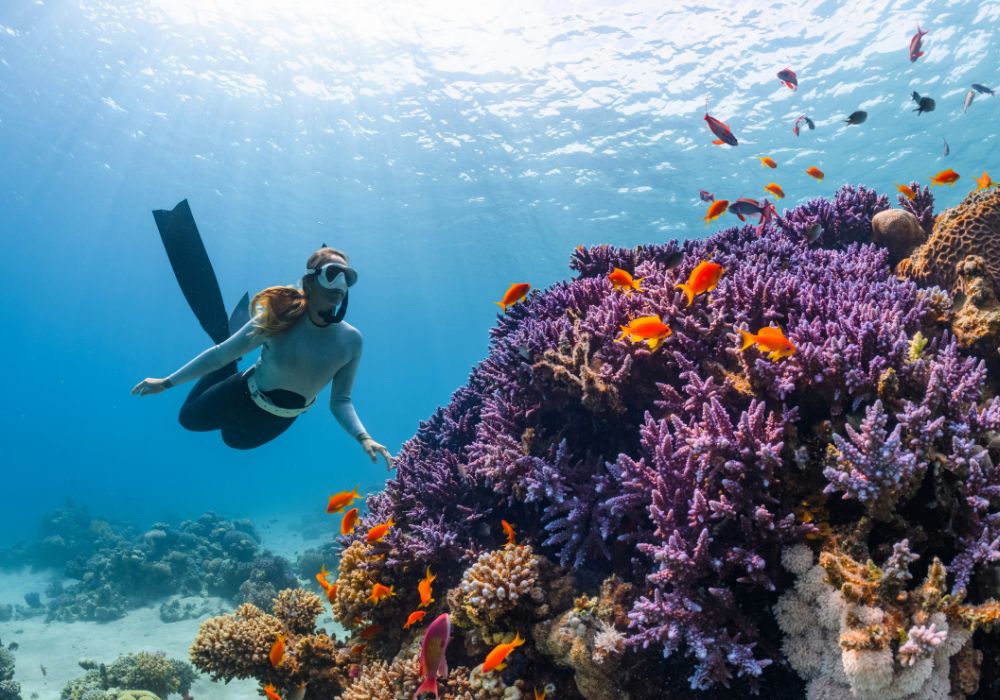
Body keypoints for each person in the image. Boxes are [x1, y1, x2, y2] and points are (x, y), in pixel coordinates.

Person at [131, 200, 393, 468]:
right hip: (242, 394)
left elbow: (340, 400)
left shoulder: (351, 341)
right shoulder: (279, 317)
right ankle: (233, 347)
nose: (340, 284)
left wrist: (364, 438)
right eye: (333, 274)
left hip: (282, 418)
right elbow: (219, 356)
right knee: (187, 419)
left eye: (347, 278)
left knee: (233, 442)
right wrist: (166, 383)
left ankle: (236, 353)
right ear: (310, 280)